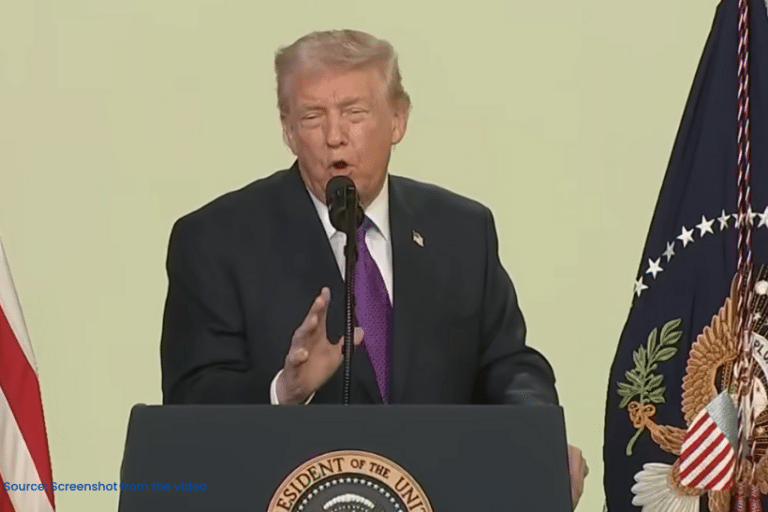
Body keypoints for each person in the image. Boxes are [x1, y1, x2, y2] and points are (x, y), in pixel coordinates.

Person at [159, 29, 588, 507]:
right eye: (312, 117)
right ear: (288, 130)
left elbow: (508, 364)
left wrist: (537, 442)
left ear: (398, 119)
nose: (334, 136)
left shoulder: (462, 230)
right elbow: (190, 405)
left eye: (354, 113)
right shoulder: (216, 240)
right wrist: (285, 390)